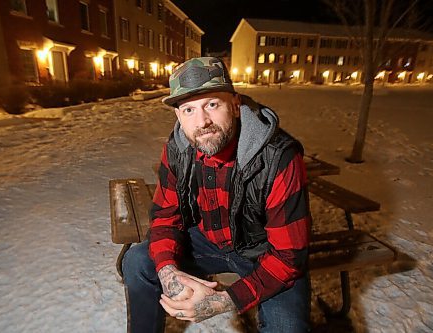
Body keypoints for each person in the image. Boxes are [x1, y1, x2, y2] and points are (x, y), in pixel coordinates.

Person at [122, 57, 311, 333]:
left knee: (289, 327)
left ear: (235, 105)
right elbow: (165, 217)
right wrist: (168, 270)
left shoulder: (279, 157)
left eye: (212, 104)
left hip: (264, 252)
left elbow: (288, 256)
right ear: (178, 116)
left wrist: (225, 300)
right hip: (207, 241)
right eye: (188, 110)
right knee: (137, 260)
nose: (202, 122)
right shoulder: (177, 149)